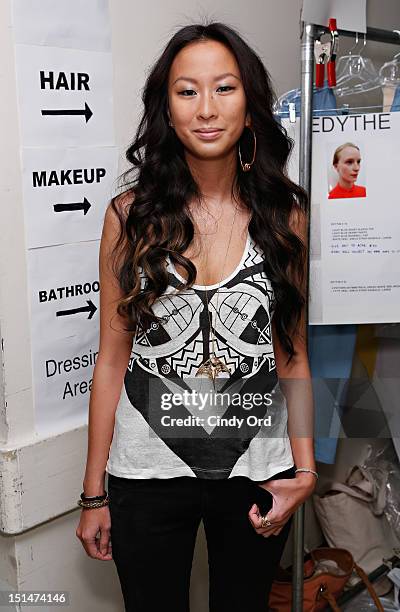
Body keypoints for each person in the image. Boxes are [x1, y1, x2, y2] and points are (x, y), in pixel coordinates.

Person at [75, 21, 317, 612]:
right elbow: (111, 358)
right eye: (187, 91)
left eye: (224, 88)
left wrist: (304, 472)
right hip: (146, 468)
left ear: (251, 104)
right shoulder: (128, 216)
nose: (206, 109)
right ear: (167, 107)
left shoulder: (286, 216)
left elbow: (294, 354)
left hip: (257, 467)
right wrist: (91, 495)